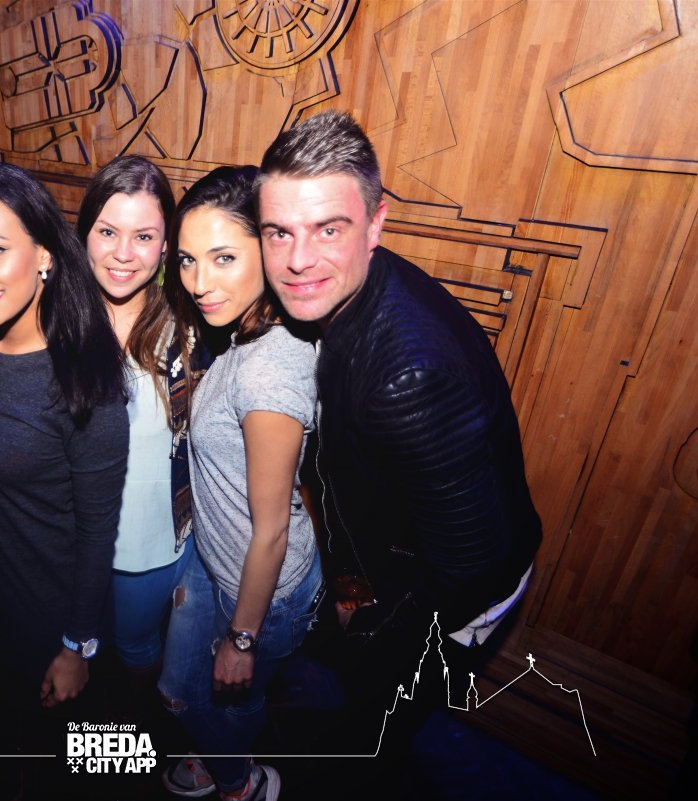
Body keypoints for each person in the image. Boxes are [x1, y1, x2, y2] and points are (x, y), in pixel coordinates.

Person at [255, 111, 543, 778]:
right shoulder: (349, 287)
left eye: (328, 229)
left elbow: (467, 566)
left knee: (376, 723)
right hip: (403, 560)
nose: (297, 260)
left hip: (452, 594)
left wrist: (373, 627)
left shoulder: (407, 378)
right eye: (279, 232)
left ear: (376, 224)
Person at [0, 161, 128, 795]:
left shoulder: (85, 381)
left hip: (51, 615)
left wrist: (77, 647)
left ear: (44, 255)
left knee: (83, 769)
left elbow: (98, 530)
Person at [158, 166, 323, 801]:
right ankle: (223, 751)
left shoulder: (267, 370)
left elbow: (273, 531)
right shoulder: (246, 329)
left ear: (268, 249)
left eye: (223, 258)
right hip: (217, 559)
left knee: (218, 696)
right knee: (181, 690)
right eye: (188, 260)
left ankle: (241, 781)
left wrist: (241, 639)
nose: (200, 282)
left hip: (262, 591)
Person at [76, 155, 197, 711]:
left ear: (166, 246)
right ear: (85, 233)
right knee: (74, 649)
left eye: (144, 236)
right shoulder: (55, 321)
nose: (123, 253)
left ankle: (130, 733)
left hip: (145, 546)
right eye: (108, 232)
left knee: (134, 648)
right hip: (66, 542)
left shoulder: (191, 330)